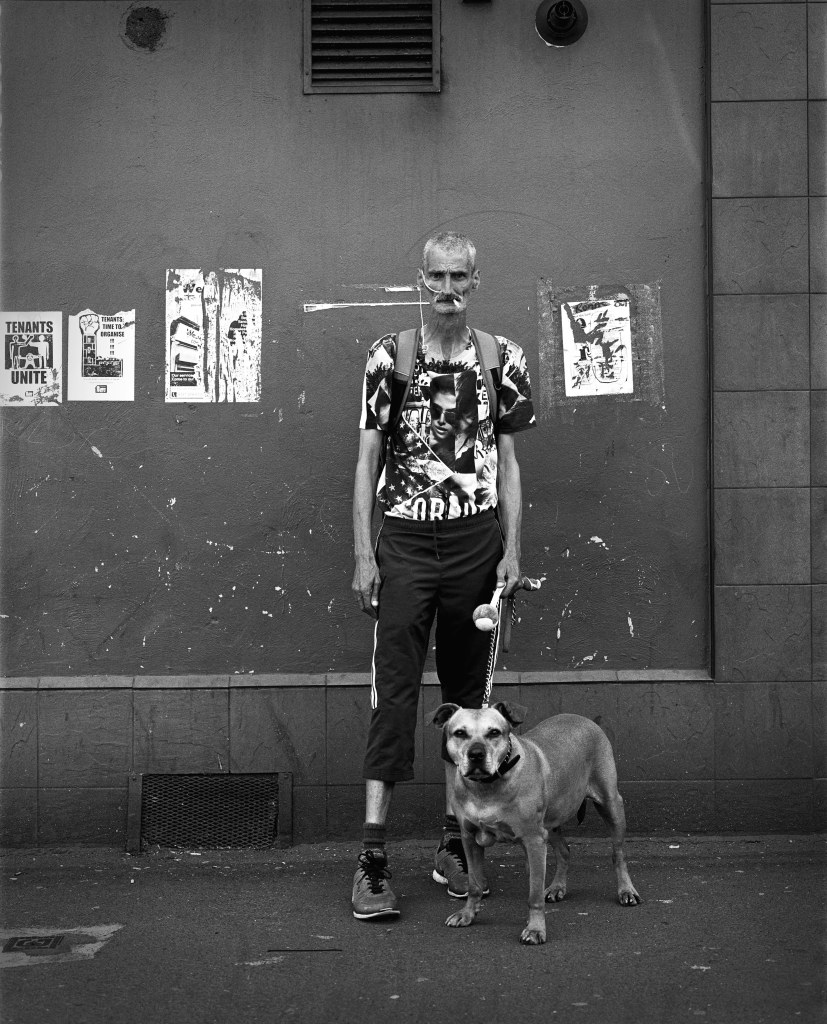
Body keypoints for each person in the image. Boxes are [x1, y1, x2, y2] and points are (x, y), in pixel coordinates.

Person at [350, 231, 535, 920]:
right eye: (436, 275)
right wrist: (364, 553)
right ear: (419, 279)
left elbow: (509, 464)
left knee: (469, 701)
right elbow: (367, 459)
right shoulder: (388, 355)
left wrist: (511, 550)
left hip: (474, 544)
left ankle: (454, 845)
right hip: (403, 540)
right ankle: (372, 859)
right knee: (393, 697)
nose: (447, 286)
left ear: (475, 282)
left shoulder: (502, 358)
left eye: (459, 275)